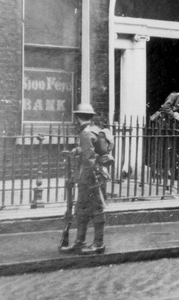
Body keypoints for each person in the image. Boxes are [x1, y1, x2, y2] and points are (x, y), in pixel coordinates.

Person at [60, 103, 114, 254]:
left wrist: (80, 179)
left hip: (90, 178)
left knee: (95, 209)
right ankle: (80, 242)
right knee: (82, 209)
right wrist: (77, 151)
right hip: (97, 175)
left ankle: (98, 244)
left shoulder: (85, 133)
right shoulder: (94, 130)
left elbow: (89, 159)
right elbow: (95, 150)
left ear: (77, 117)